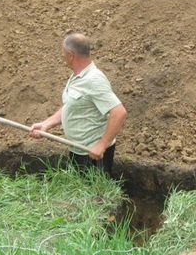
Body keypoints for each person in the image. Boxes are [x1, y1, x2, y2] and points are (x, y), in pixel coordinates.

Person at [30, 33, 127, 176]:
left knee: (94, 197)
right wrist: (47, 124)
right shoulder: (77, 76)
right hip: (78, 150)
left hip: (94, 155)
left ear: (70, 55)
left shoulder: (94, 80)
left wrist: (102, 145)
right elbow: (72, 105)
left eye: (63, 53)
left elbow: (119, 112)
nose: (62, 56)